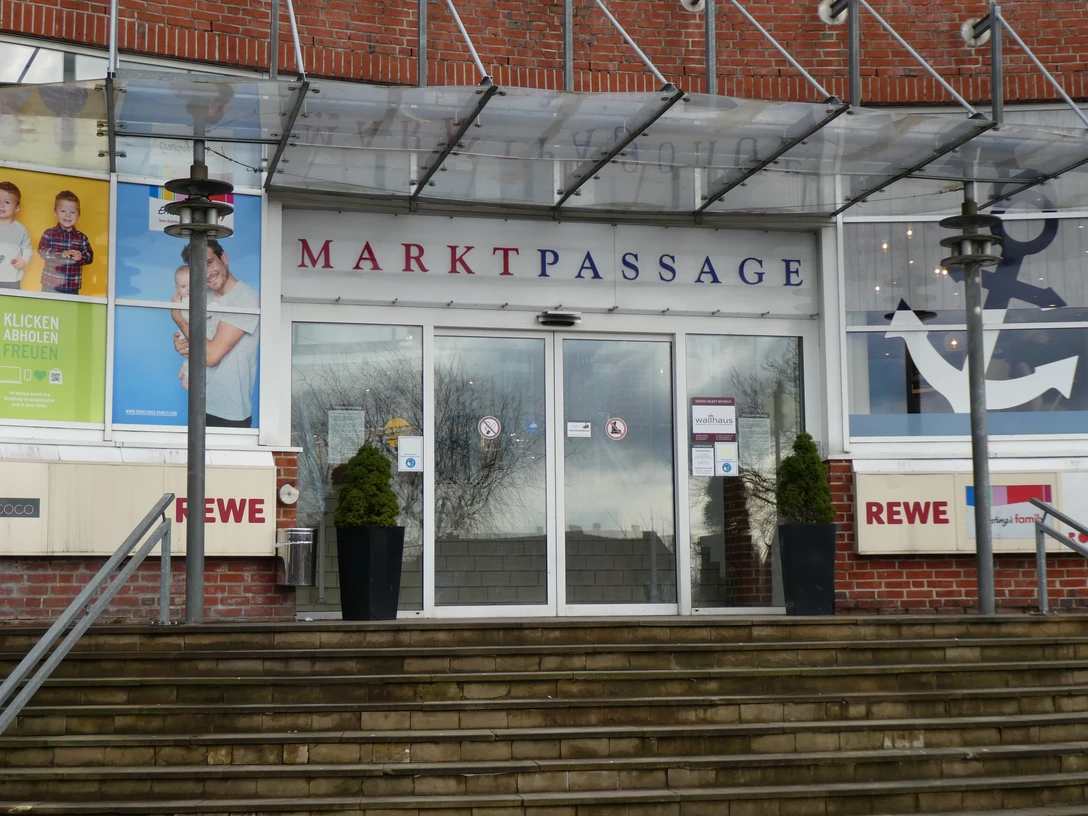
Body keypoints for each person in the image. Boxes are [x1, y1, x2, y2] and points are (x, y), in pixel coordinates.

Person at [171, 240, 259, 428]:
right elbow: (195, 342)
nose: (207, 273)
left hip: (229, 412)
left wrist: (178, 318)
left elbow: (211, 356)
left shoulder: (245, 299)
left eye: (209, 263)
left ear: (224, 258)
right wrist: (183, 345)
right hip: (200, 403)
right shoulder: (202, 296)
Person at [37, 190, 93, 294]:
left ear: (78, 215)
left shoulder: (82, 238)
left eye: (72, 212)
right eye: (63, 211)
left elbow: (90, 257)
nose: (68, 215)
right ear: (55, 213)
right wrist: (60, 254)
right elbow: (41, 251)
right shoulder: (49, 233)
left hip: (72, 287)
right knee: (47, 310)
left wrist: (81, 257)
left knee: (70, 310)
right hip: (50, 286)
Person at [0, 181, 31, 290]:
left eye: (7, 202)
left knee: (10, 306)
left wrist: (24, 260)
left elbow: (27, 249)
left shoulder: (21, 230)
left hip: (12, 279)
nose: (1, 205)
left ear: (17, 208)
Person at [171, 265, 190, 390]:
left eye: (191, 284)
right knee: (196, 356)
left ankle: (183, 368)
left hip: (184, 331)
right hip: (186, 331)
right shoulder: (187, 300)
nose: (188, 289)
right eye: (183, 287)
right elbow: (207, 312)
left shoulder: (179, 301)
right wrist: (215, 304)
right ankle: (186, 381)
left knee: (191, 356)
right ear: (177, 289)